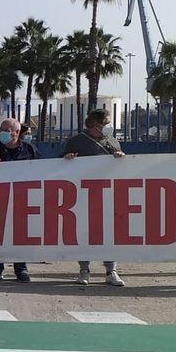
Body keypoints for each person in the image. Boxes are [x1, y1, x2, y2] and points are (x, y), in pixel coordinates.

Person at [62, 108, 127, 287]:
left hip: (108, 195)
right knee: (84, 232)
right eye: (105, 123)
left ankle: (111, 270)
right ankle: (84, 269)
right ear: (94, 124)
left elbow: (120, 168)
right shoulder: (76, 142)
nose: (108, 126)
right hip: (82, 196)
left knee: (110, 232)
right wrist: (67, 159)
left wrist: (120, 158)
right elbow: (59, 166)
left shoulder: (113, 142)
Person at [0, 117, 39, 282]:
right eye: (1, 129)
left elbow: (43, 170)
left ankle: (21, 269)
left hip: (22, 199)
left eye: (7, 130)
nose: (3, 133)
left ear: (17, 133)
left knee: (20, 235)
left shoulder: (30, 150)